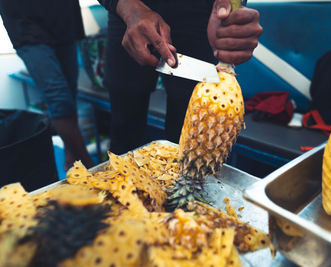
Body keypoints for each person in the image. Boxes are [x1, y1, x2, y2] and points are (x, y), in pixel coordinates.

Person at [99, 0, 262, 154]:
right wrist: (128, 7)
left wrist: (230, 10)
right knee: (124, 125)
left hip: (198, 12)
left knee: (191, 134)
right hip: (127, 11)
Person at [0, 0, 94, 170]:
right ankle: (88, 164)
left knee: (69, 92)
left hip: (63, 16)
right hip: (24, 22)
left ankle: (71, 157)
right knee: (58, 96)